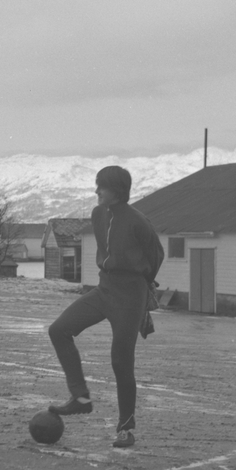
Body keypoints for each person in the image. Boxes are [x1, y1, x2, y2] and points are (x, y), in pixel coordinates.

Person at [48, 166, 164, 448]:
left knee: (121, 361)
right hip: (104, 288)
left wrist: (143, 292)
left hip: (131, 294)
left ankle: (126, 429)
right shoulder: (98, 214)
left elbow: (156, 256)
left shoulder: (139, 221)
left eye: (102, 187)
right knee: (59, 330)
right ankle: (81, 397)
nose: (97, 191)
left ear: (118, 190)